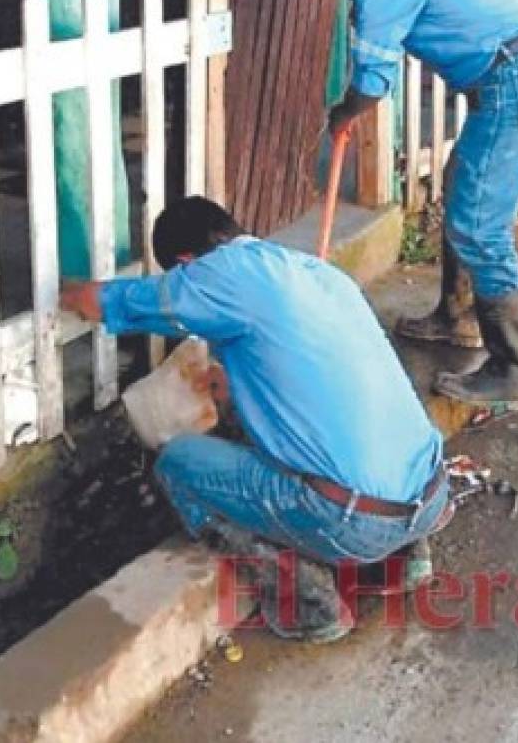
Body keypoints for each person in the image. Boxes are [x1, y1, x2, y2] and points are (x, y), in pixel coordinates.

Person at [60, 196, 450, 643]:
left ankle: (308, 603)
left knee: (179, 464)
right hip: (431, 495)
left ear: (187, 261)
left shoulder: (219, 274)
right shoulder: (312, 272)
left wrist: (66, 292)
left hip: (355, 524)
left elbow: (103, 301)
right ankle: (405, 560)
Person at [299, 0, 518, 412]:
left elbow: (372, 80)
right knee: (461, 193)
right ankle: (457, 316)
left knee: (477, 222)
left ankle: (513, 371)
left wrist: (344, 112)